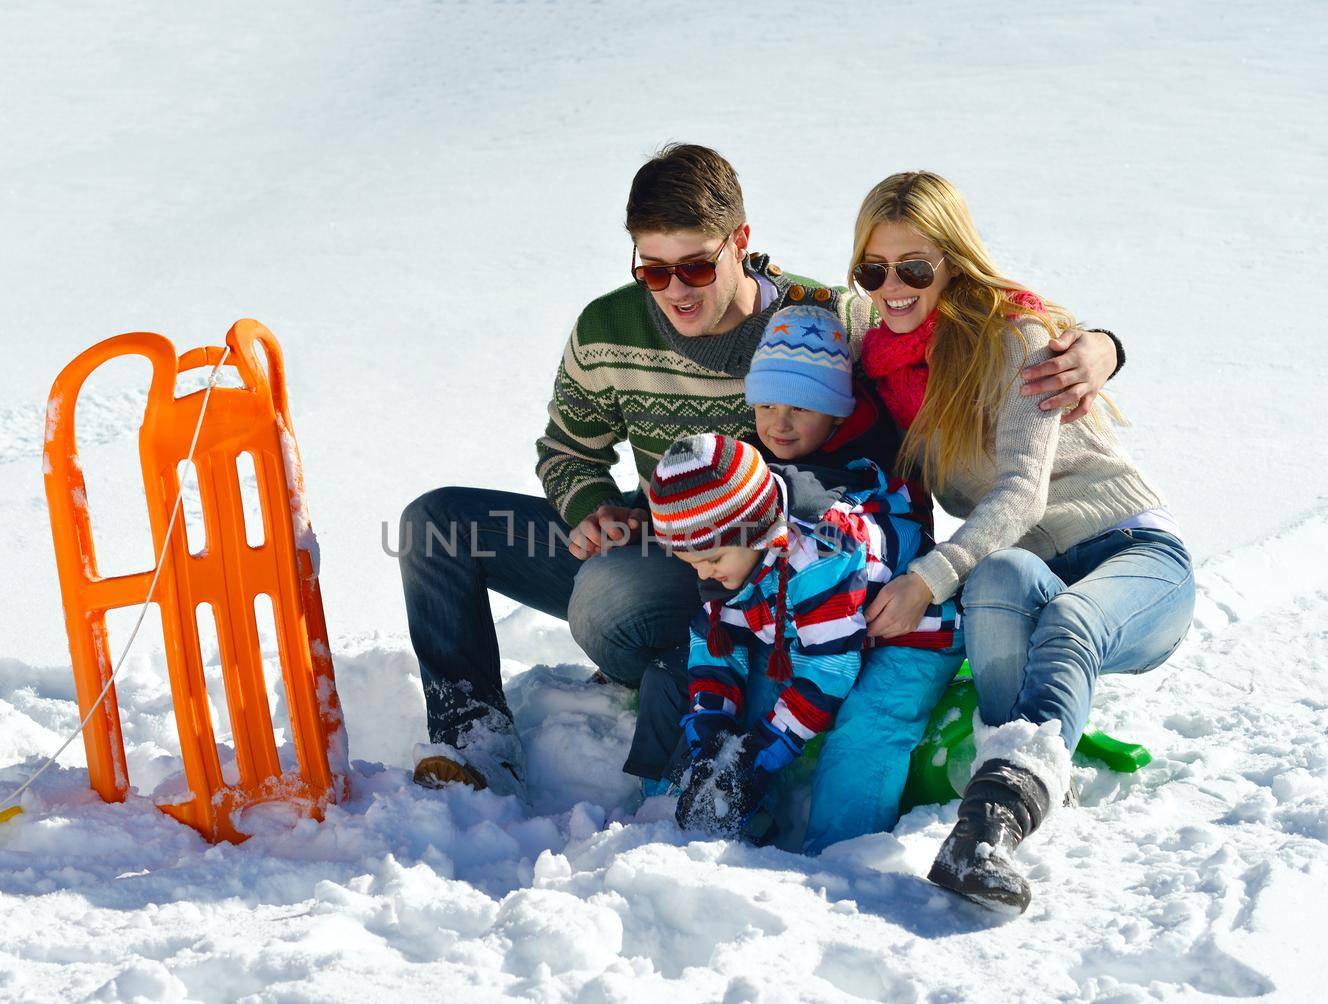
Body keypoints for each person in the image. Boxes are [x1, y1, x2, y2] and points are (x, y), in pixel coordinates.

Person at [397, 144, 1122, 800]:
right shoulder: (605, 328)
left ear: (740, 244)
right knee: (437, 524)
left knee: (611, 593)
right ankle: (475, 745)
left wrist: (1097, 345)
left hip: (759, 563)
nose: (674, 289)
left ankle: (676, 666)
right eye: (652, 269)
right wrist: (586, 502)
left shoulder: (827, 318)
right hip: (651, 530)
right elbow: (567, 450)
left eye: (695, 266)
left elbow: (935, 330)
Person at [849, 171, 1195, 913]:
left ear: (952, 260)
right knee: (999, 575)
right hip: (1027, 568)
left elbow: (1020, 492)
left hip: (1130, 553)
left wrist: (927, 579)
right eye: (873, 269)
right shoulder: (883, 363)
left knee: (1069, 617)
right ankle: (1002, 812)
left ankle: (993, 820)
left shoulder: (1016, 336)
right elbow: (806, 311)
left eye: (915, 267)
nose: (893, 287)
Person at [627, 303, 962, 853]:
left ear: (758, 532)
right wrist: (710, 721)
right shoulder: (726, 546)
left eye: (710, 563)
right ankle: (706, 823)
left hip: (909, 631)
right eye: (694, 566)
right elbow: (715, 641)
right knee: (737, 713)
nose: (705, 576)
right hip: (811, 626)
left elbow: (830, 667)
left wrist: (768, 749)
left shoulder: (823, 552)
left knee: (868, 723)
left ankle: (840, 854)